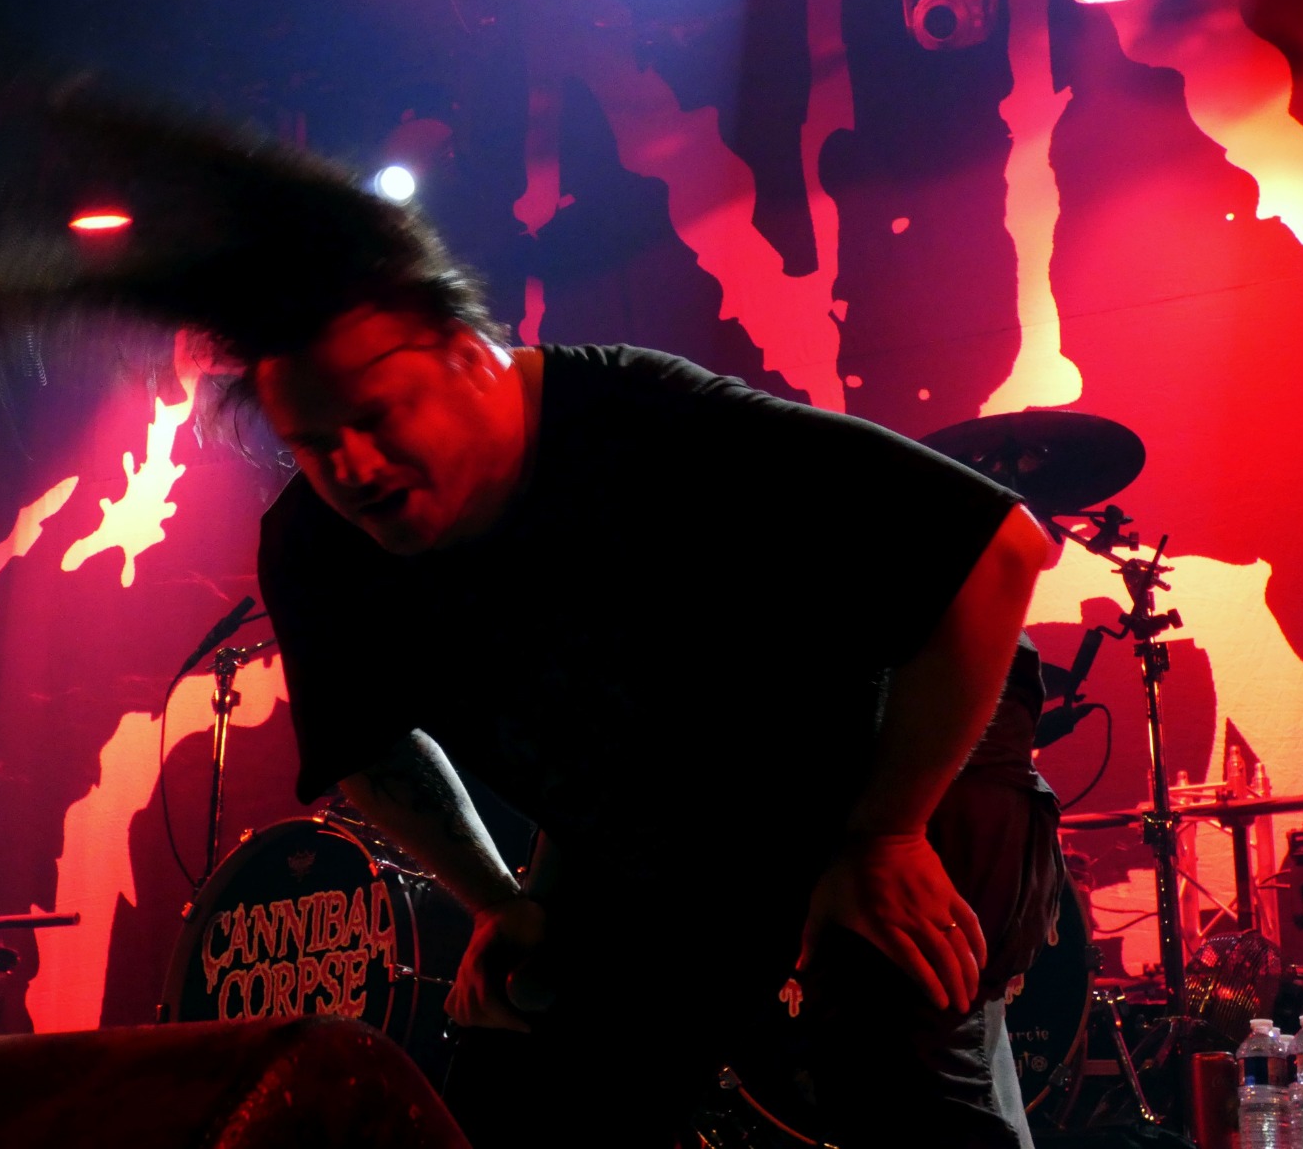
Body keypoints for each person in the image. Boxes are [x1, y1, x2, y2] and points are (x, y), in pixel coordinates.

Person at [246, 219, 1049, 1143]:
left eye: (378, 417)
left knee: (890, 1047)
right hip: (668, 797)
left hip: (889, 743)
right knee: (522, 1086)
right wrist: (504, 904)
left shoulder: (656, 421)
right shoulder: (316, 546)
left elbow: (998, 550)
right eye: (312, 444)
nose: (350, 468)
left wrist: (886, 835)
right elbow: (371, 748)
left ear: (467, 354)